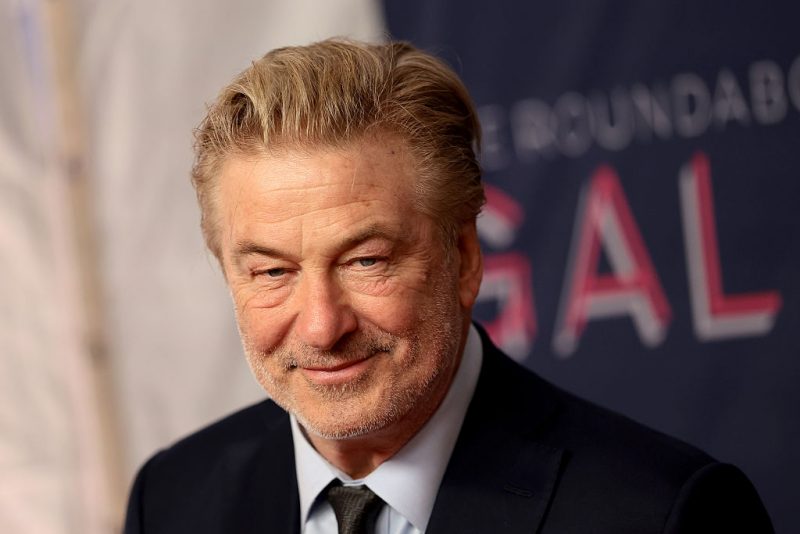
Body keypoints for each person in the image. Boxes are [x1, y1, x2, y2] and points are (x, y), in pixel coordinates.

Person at [124, 39, 773, 533]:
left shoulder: (661, 513)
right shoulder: (173, 500)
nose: (322, 325)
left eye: (366, 262)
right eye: (272, 272)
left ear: (463, 256)